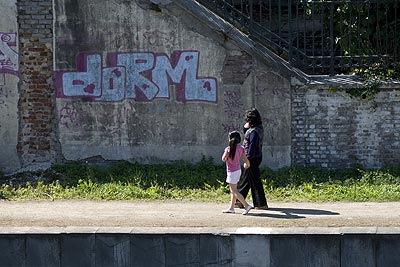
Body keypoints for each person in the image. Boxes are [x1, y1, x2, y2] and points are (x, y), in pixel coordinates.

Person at [237, 108, 268, 209]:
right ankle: (239, 201)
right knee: (247, 179)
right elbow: (247, 133)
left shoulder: (254, 131)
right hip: (256, 157)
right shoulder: (258, 128)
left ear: (250, 120)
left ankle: (261, 204)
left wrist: (247, 160)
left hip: (252, 158)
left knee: (255, 181)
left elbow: (252, 147)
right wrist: (246, 128)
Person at [221, 131, 253, 215]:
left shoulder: (228, 149)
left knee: (234, 191)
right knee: (233, 191)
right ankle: (231, 208)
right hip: (238, 170)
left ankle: (246, 205)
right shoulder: (241, 148)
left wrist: (227, 156)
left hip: (231, 172)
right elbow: (245, 159)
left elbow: (223, 159)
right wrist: (247, 164)